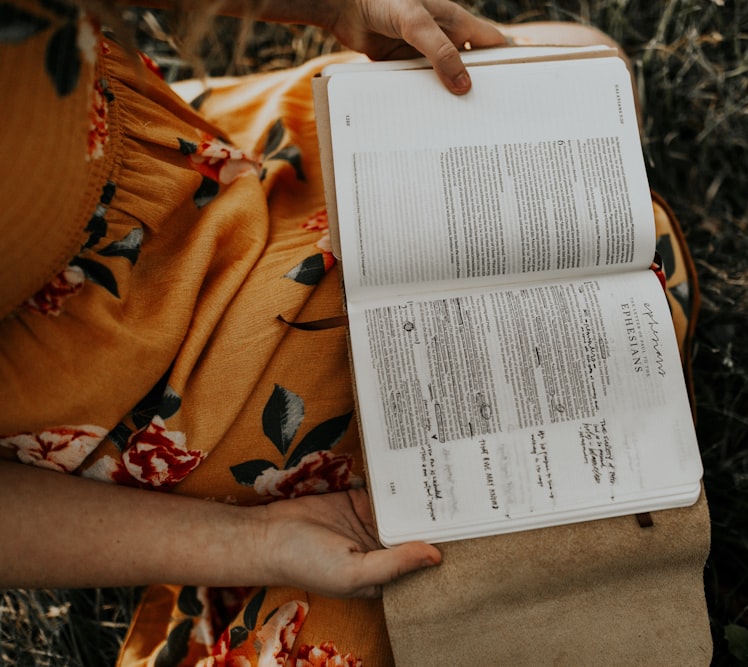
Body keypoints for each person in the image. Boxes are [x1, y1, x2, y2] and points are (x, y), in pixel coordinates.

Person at [0, 1, 700, 664]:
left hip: (198, 173)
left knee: (583, 64)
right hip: (167, 382)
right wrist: (252, 543)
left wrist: (338, 8)